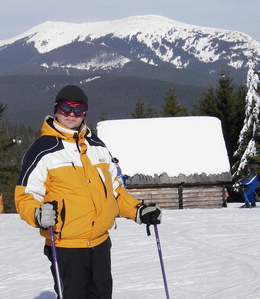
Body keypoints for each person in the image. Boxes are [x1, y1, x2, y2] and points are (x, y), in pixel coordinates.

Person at [14, 84, 162, 299]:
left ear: (85, 112)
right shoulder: (42, 150)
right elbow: (25, 196)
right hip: (66, 245)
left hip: (100, 243)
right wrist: (37, 214)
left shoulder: (98, 147)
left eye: (78, 109)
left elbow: (115, 191)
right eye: (66, 108)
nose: (72, 114)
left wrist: (138, 211)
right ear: (56, 109)